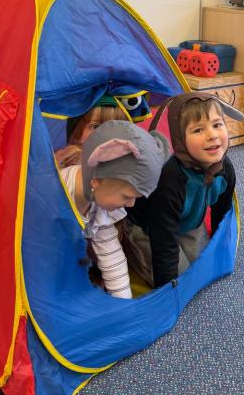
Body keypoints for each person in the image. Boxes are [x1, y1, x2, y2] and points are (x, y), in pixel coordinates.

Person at [126, 92, 243, 288]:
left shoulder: (225, 169)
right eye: (198, 130)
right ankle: (129, 243)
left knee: (202, 267)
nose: (212, 135)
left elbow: (222, 213)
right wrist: (169, 289)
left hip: (188, 223)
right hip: (149, 227)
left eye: (217, 125)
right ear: (180, 139)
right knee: (177, 277)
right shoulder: (171, 178)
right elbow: (163, 238)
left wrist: (220, 248)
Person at [60, 119, 168, 299]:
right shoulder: (56, 196)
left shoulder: (98, 198)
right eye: (126, 196)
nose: (131, 204)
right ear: (96, 180)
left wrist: (124, 304)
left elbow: (111, 256)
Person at [55, 96, 128, 168]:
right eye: (95, 127)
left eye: (113, 128)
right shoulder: (66, 164)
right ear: (78, 130)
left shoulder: (126, 162)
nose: (105, 134)